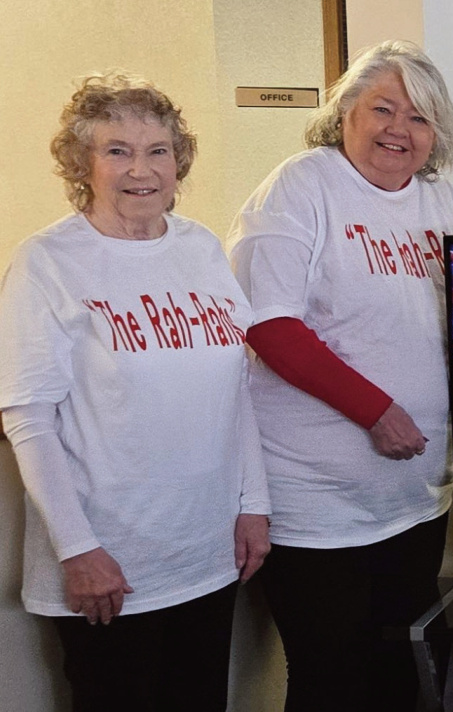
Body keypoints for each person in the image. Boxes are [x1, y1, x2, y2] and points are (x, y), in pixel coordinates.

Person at [227, 41, 453, 710]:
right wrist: (376, 410)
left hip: (414, 496)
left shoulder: (450, 207)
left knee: (403, 669)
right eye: (383, 109)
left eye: (419, 118)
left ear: (437, 136)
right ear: (345, 111)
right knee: (331, 678)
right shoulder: (301, 186)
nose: (398, 131)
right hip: (318, 502)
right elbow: (269, 324)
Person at [0, 72, 270, 711]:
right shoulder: (47, 263)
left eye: (157, 151)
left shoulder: (202, 248)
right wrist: (78, 548)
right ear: (82, 164)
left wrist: (253, 504)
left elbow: (238, 391)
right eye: (116, 150)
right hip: (111, 565)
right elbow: (28, 416)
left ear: (178, 162)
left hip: (205, 552)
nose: (140, 169)